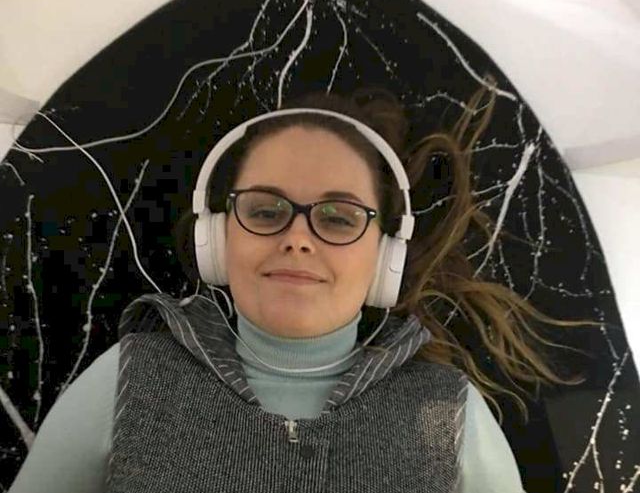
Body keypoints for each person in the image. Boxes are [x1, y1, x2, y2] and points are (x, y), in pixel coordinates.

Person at [8, 80, 589, 493]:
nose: (297, 239)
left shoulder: (450, 416)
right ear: (218, 238)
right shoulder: (128, 381)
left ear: (384, 254)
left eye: (338, 218)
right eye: (266, 210)